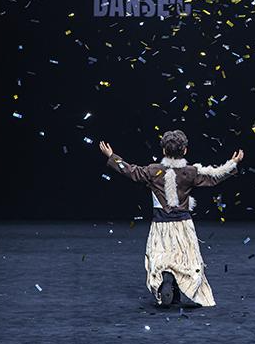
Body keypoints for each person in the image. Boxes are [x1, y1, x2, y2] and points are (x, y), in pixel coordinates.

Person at [99, 130, 244, 306]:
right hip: (183, 225)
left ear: (163, 151)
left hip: (161, 225)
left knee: (161, 256)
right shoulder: (190, 172)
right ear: (185, 150)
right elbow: (214, 177)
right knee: (185, 259)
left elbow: (131, 171)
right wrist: (233, 164)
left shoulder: (153, 170)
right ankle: (176, 288)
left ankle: (167, 281)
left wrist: (112, 156)